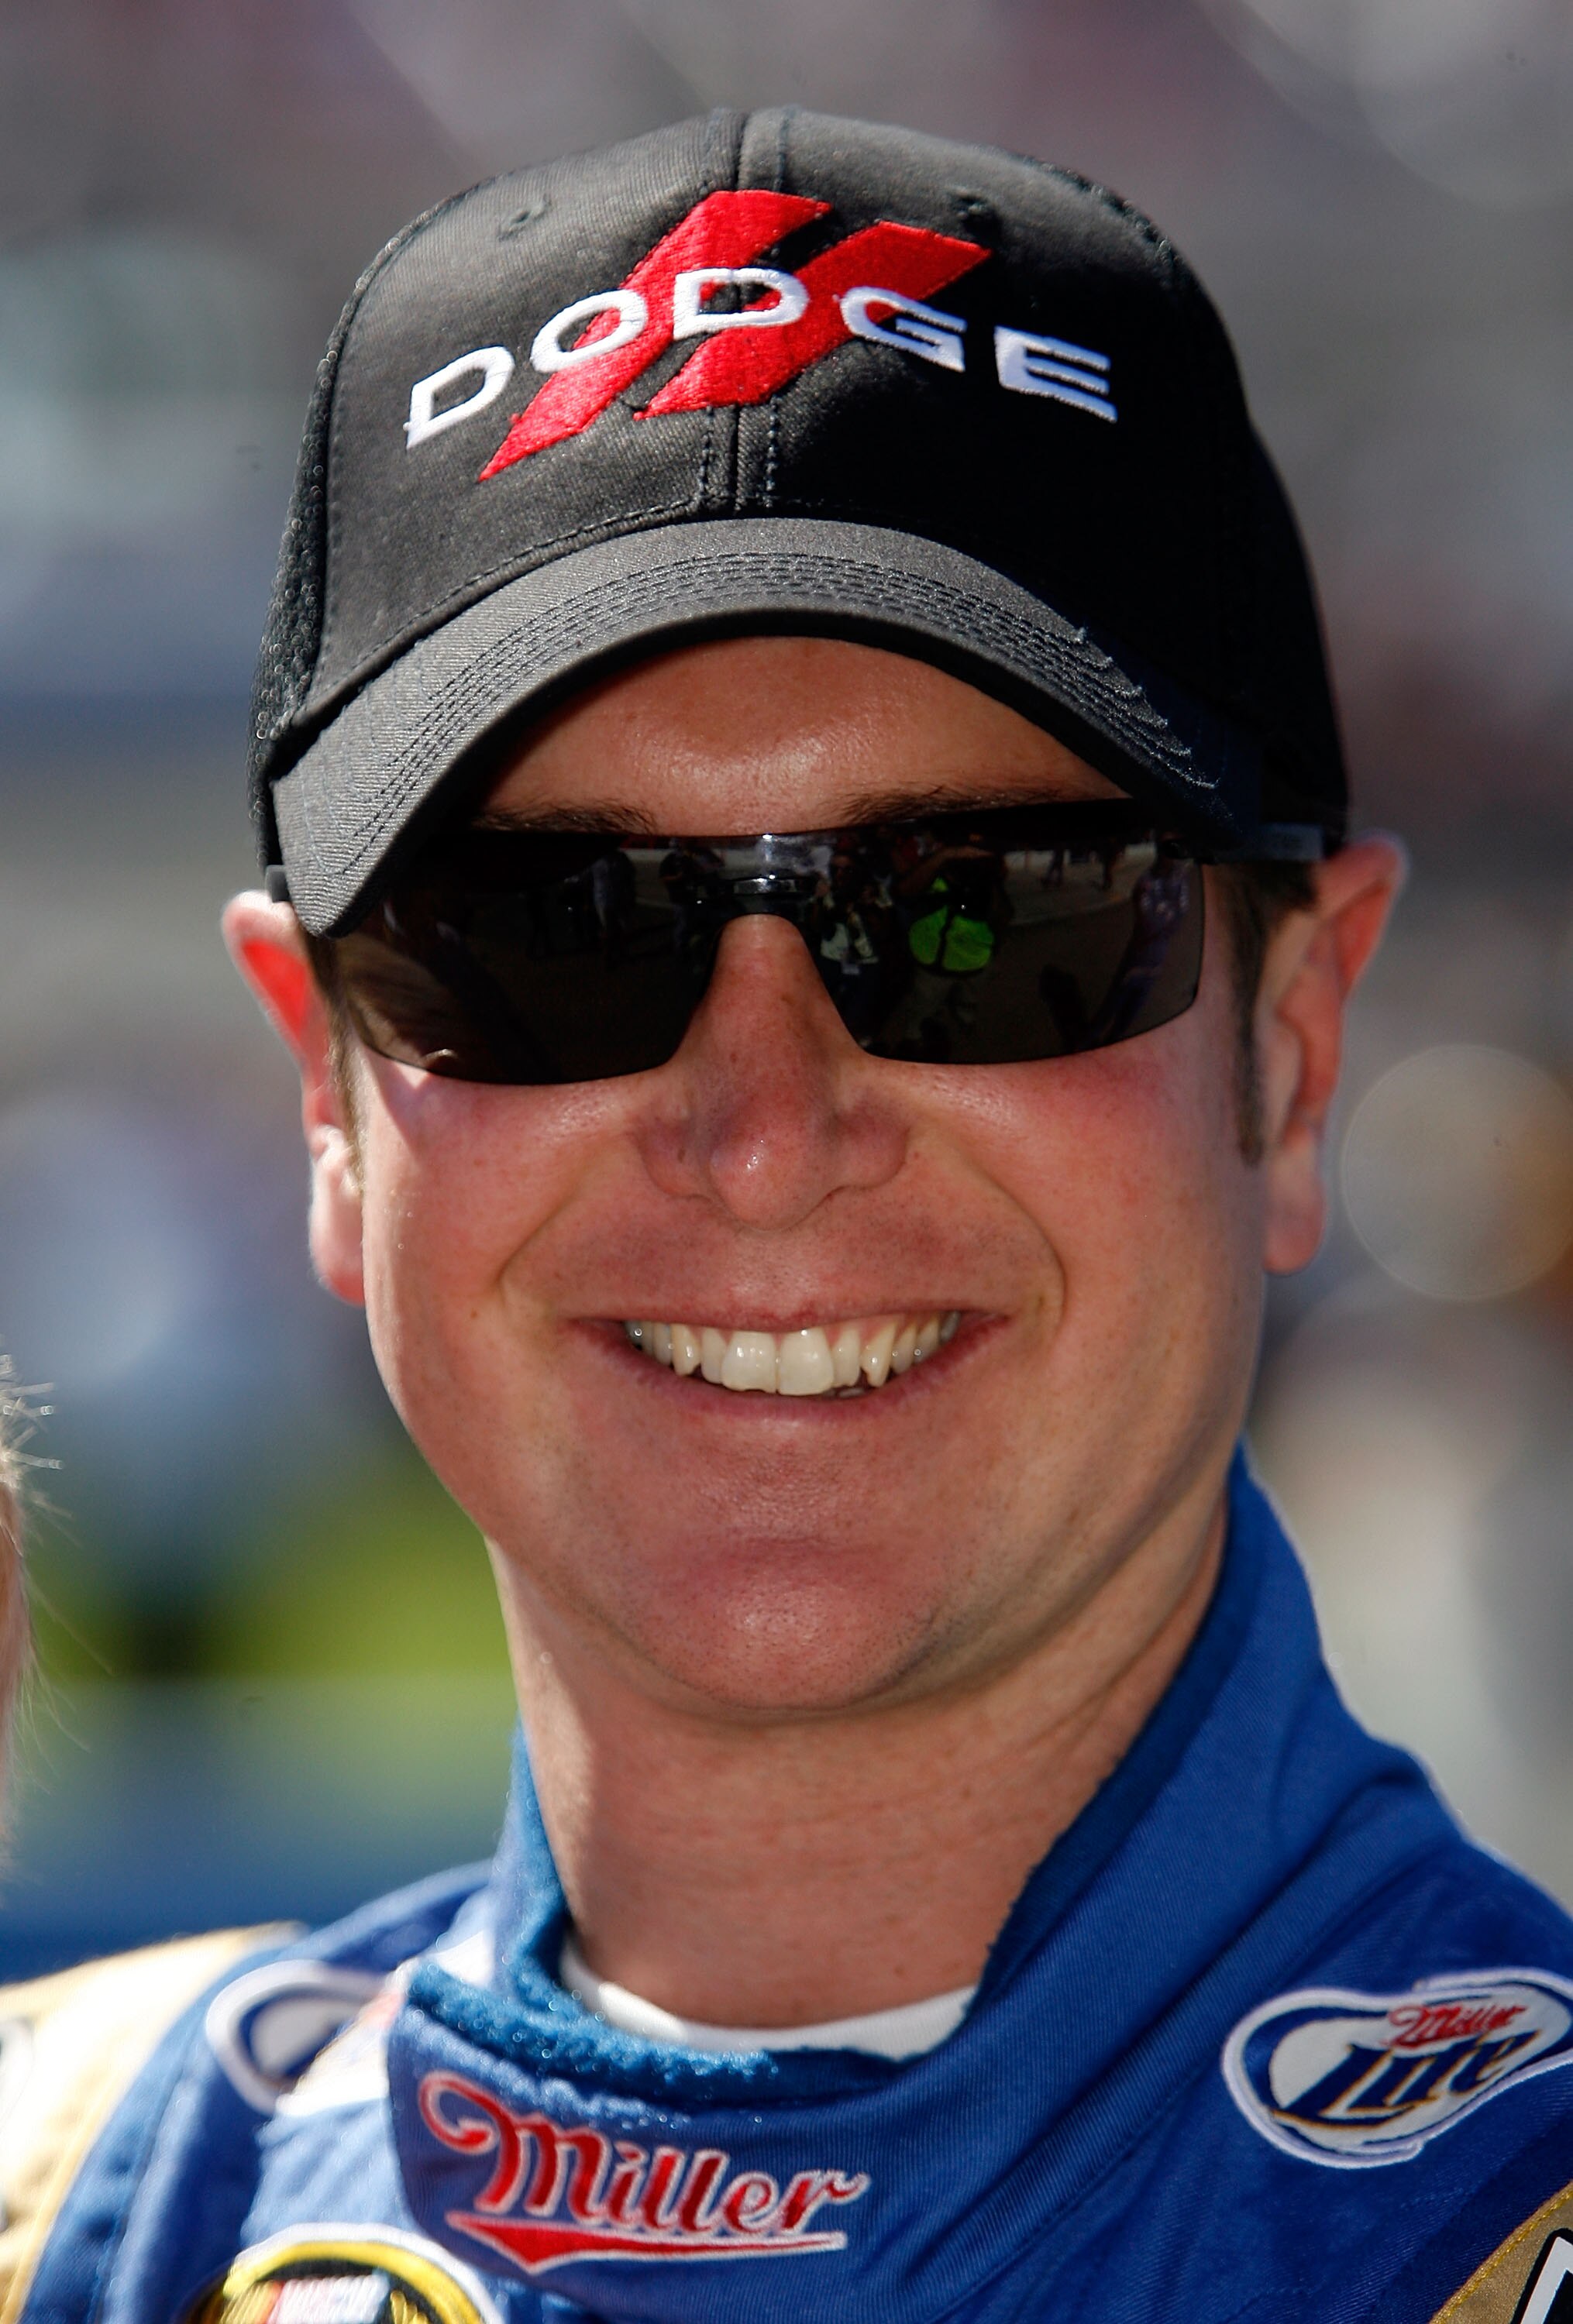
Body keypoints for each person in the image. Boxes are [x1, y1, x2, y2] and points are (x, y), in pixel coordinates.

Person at [5, 109, 1571, 2324]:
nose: (762, 1132)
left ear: (1297, 1050)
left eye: (983, 918)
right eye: (551, 931)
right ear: (324, 1095)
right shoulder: (71, 2207)